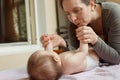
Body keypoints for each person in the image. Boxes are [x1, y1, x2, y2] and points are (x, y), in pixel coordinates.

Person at [40, 0, 120, 65]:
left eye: (76, 10)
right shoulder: (74, 24)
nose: (73, 19)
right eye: (68, 13)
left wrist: (95, 40)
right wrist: (63, 42)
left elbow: (117, 59)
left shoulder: (115, 14)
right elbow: (79, 55)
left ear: (91, 4)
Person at [27, 37, 99, 80]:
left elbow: (49, 52)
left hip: (78, 55)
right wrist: (83, 38)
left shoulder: (55, 65)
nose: (47, 50)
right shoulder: (69, 62)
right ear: (56, 59)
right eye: (45, 51)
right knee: (93, 48)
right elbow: (83, 52)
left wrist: (48, 42)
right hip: (92, 56)